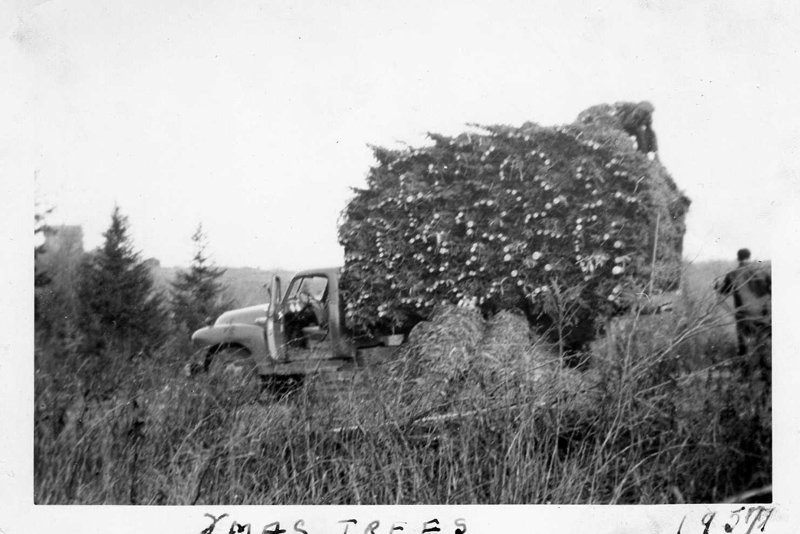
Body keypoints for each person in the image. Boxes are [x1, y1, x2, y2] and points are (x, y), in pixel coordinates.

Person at [716, 248, 771, 382]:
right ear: (750, 257)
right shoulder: (762, 271)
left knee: (745, 345)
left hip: (744, 316)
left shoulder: (733, 274)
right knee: (766, 344)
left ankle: (746, 377)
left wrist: (717, 287)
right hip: (764, 315)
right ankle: (767, 375)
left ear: (738, 258)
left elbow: (724, 292)